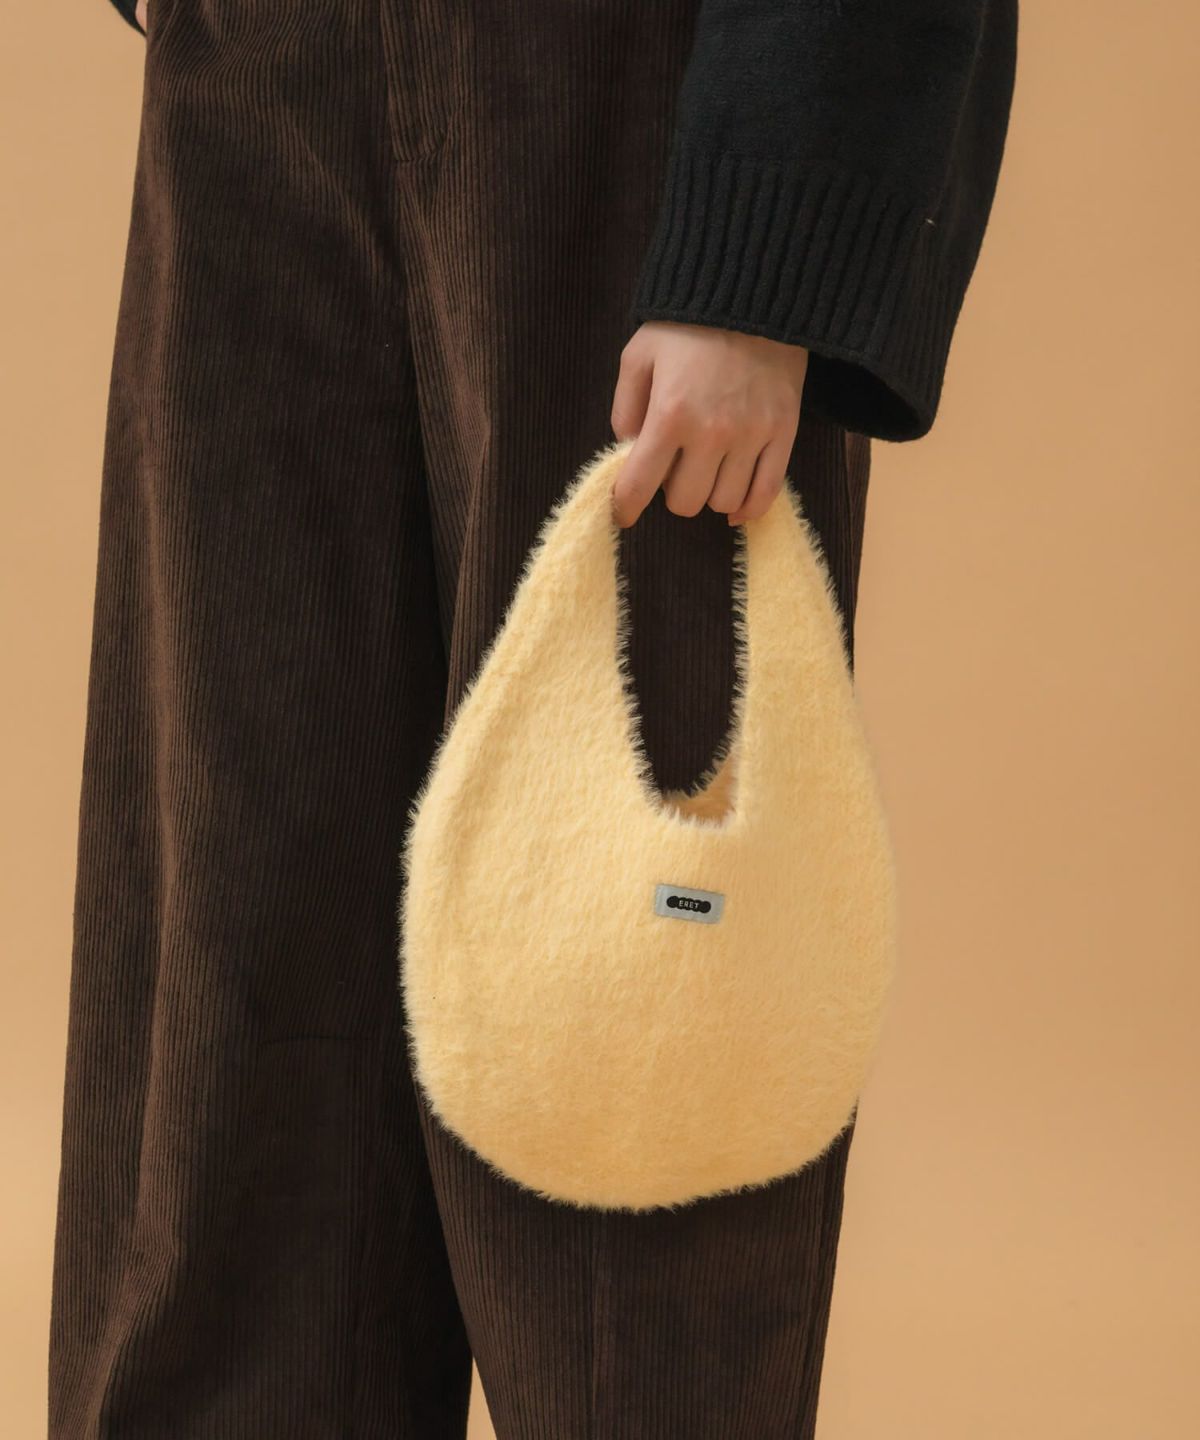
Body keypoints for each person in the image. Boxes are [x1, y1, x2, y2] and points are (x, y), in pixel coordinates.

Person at [49, 2, 1018, 1436]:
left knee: (626, 1065)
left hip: (620, 95)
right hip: (254, 72)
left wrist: (765, 235)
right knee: (230, 1015)